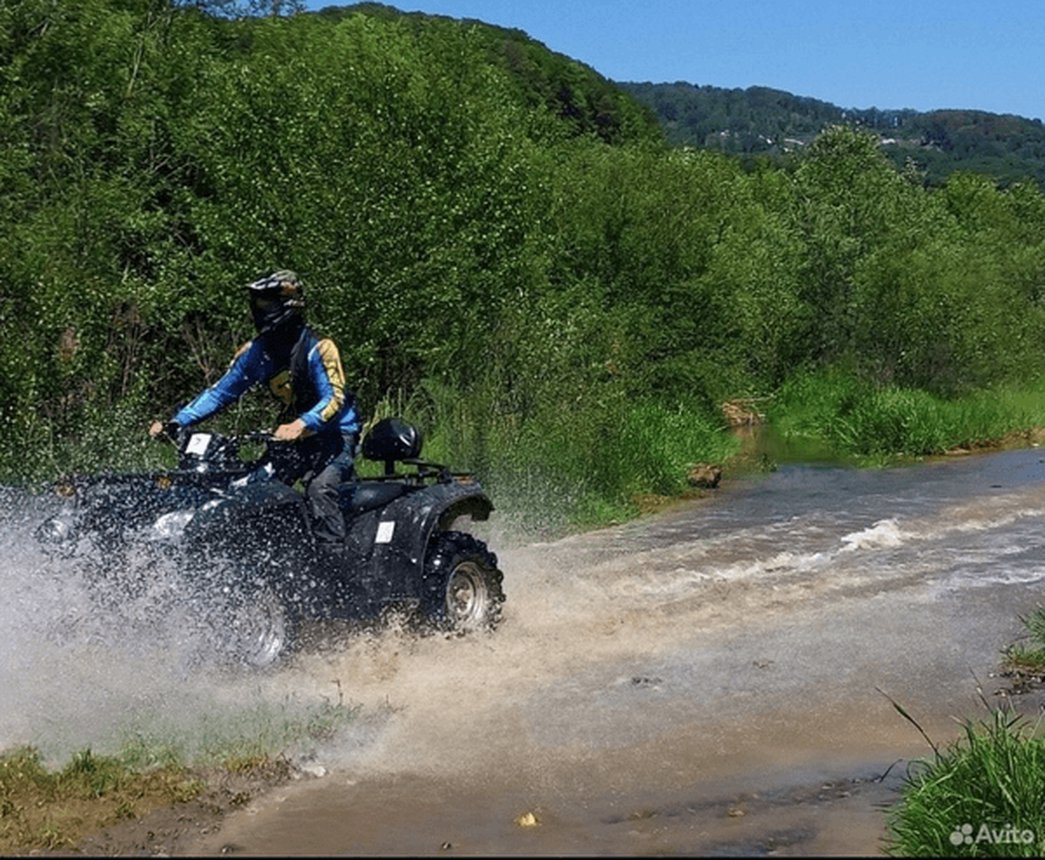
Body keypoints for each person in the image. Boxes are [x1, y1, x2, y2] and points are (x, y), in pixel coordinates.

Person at [150, 269, 361, 566]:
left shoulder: (319, 348)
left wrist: (302, 424)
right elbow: (220, 392)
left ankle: (334, 569)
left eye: (267, 303)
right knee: (253, 490)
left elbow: (334, 398)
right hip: (290, 441)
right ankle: (267, 562)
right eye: (257, 303)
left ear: (290, 304)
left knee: (319, 490)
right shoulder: (256, 352)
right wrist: (178, 422)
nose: (260, 310)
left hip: (333, 439)